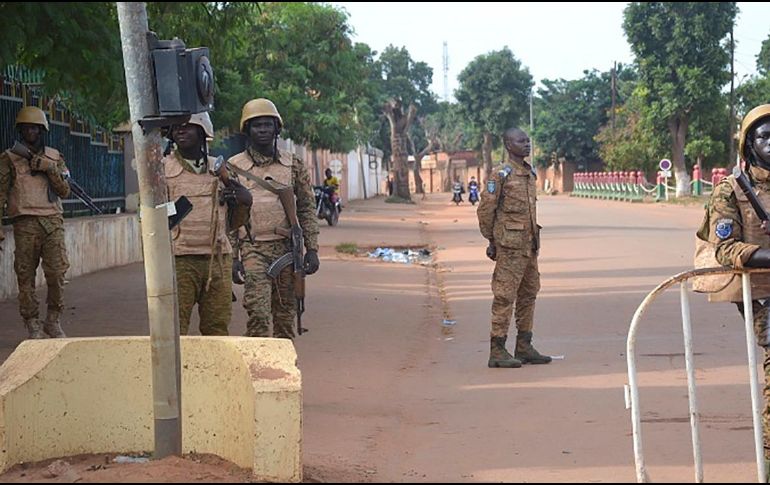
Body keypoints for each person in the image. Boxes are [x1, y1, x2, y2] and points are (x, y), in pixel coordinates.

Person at [696, 103, 770, 459]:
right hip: (761, 295)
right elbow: (725, 248)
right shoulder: (731, 190)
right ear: (749, 144)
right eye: (764, 135)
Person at [227, 98, 320, 339]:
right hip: (252, 248)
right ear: (247, 130)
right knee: (257, 313)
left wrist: (312, 249)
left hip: (287, 250)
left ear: (277, 128)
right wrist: (232, 257)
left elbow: (307, 207)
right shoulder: (233, 167)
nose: (263, 130)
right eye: (257, 125)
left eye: (268, 125)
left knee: (285, 316)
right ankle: (259, 369)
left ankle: (283, 370)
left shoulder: (293, 164)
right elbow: (229, 217)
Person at [164, 112, 251, 336]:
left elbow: (234, 222)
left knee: (217, 328)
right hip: (179, 259)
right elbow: (148, 217)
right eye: (176, 128)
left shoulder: (221, 170)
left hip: (217, 259)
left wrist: (243, 202)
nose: (181, 131)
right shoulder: (162, 170)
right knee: (174, 328)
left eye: (188, 126)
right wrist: (179, 208)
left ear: (203, 131)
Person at [477, 127, 551, 368]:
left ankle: (524, 345)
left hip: (529, 247)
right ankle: (497, 349)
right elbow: (486, 210)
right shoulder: (501, 174)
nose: (527, 144)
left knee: (529, 293)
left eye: (528, 140)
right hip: (509, 248)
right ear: (509, 145)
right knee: (504, 296)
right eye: (521, 141)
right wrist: (492, 240)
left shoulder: (529, 174)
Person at [0, 106, 71, 339]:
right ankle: (32, 322)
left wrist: (50, 169)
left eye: (35, 128)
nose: (31, 132)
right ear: (20, 130)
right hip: (25, 222)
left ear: (43, 130)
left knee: (57, 272)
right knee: (25, 275)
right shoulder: (9, 158)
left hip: (52, 221)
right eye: (26, 128)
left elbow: (65, 191)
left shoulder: (54, 156)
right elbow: (1, 193)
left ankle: (53, 319)